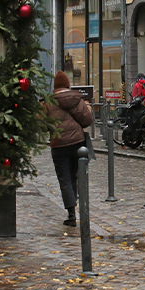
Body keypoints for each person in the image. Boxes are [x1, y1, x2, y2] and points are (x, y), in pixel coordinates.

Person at [44, 71, 94, 227]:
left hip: (58, 144)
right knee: (74, 176)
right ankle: (75, 205)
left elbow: (41, 124)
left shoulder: (48, 102)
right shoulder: (77, 99)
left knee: (64, 179)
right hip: (77, 143)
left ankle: (71, 213)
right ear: (68, 85)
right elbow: (87, 120)